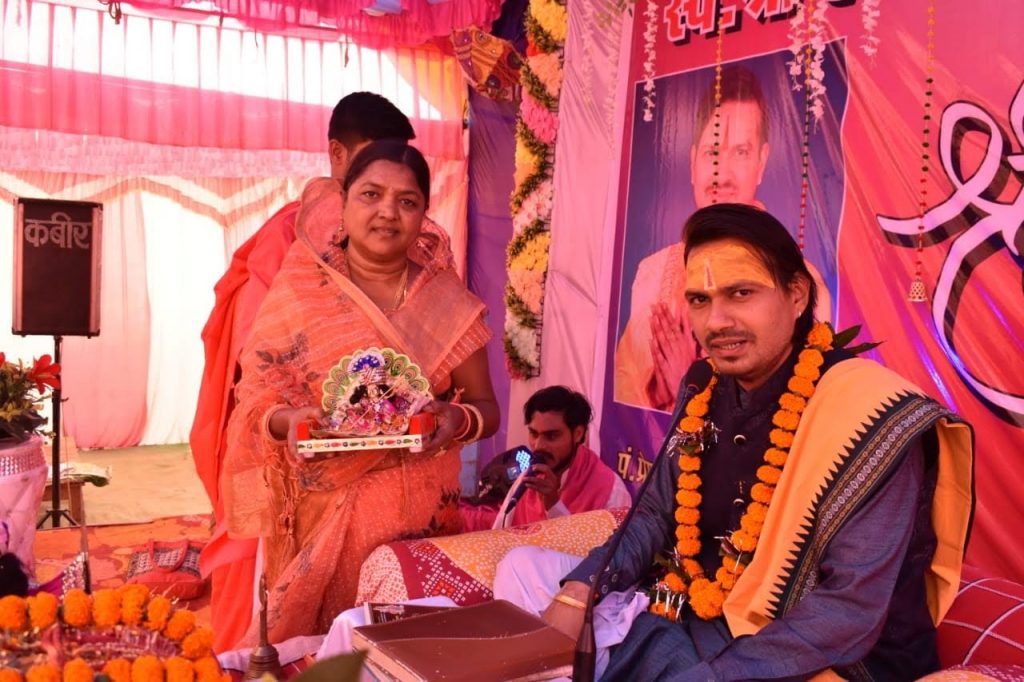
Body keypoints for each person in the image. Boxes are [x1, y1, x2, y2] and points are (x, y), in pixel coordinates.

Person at [501, 204, 974, 680]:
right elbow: (655, 514)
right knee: (523, 569)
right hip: (695, 617)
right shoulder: (703, 386)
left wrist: (709, 678)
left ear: (796, 294)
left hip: (812, 658)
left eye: (741, 293)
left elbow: (849, 611)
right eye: (699, 299)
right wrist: (581, 589)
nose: (716, 321)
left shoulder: (869, 414)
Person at [219, 140, 499, 647]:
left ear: (423, 215)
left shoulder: (448, 302)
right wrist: (290, 420)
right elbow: (255, 395)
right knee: (320, 655)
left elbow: (486, 408)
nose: (388, 211)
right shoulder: (301, 288)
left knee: (407, 653)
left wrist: (457, 421)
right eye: (371, 194)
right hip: (322, 516)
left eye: (407, 201)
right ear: (343, 205)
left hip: (420, 522)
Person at [192, 93, 421, 651]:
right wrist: (303, 416)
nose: (387, 199)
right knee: (275, 628)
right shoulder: (288, 238)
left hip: (395, 477)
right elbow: (257, 363)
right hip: (303, 468)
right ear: (338, 155)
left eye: (403, 190)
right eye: (371, 169)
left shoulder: (420, 246)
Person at [615, 66, 832, 411]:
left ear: (761, 162)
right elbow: (626, 399)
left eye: (741, 152)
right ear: (692, 163)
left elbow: (800, 410)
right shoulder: (651, 272)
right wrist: (659, 389)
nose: (722, 175)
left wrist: (691, 383)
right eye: (712, 153)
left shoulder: (801, 282)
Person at [461, 386, 631, 531]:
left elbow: (612, 555)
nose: (539, 445)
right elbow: (500, 530)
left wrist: (554, 505)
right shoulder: (529, 476)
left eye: (551, 436)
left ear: (578, 434)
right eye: (534, 434)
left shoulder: (610, 490)